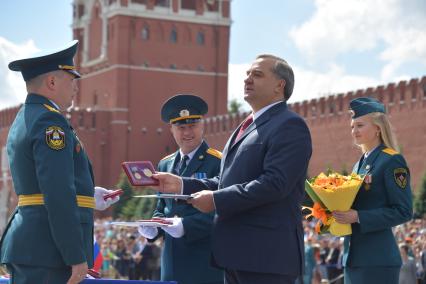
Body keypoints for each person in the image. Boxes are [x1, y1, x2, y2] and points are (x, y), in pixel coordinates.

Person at [151, 54, 312, 284]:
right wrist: (183, 184)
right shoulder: (246, 127)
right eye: (247, 74)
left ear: (280, 85)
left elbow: (275, 184)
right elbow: (225, 181)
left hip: (266, 257)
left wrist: (216, 200)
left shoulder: (289, 124)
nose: (247, 79)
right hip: (236, 256)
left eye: (257, 75)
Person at [0, 40, 119, 284]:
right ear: (52, 82)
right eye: (71, 78)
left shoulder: (28, 116)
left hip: (37, 246)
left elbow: (43, 183)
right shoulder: (50, 122)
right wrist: (74, 254)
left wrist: (86, 194)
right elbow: (57, 191)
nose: (76, 86)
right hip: (50, 252)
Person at [138, 94, 224, 284]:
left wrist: (187, 226)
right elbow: (162, 205)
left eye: (192, 126)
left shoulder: (218, 161)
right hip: (171, 261)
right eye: (181, 127)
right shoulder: (165, 164)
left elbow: (223, 210)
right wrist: (154, 227)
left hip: (205, 261)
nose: (187, 133)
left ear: (202, 125)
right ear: (171, 129)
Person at [332, 97, 413, 284]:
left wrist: (358, 216)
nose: (354, 131)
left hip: (377, 260)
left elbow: (404, 211)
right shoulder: (357, 165)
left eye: (360, 125)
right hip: (353, 258)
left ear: (377, 128)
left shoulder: (391, 160)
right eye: (352, 127)